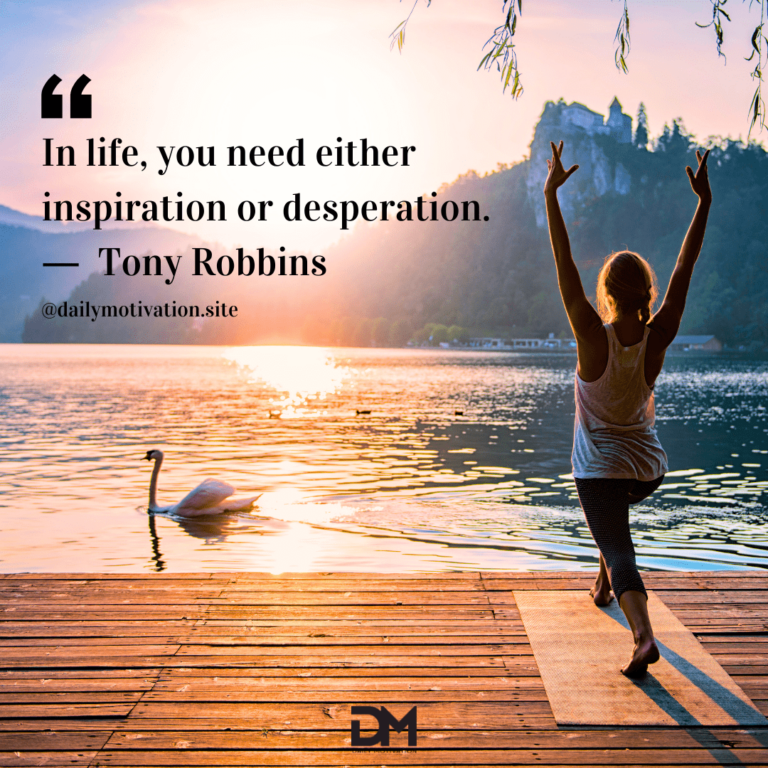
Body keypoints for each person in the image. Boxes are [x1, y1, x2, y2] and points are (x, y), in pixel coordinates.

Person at [544, 139, 712, 677]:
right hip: (647, 469)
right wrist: (703, 203)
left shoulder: (592, 337)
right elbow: (685, 268)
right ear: (646, 294)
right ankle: (601, 584)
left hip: (600, 472)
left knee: (619, 546)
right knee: (610, 526)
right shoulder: (658, 336)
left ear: (608, 295)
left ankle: (642, 637)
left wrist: (551, 195)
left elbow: (564, 263)